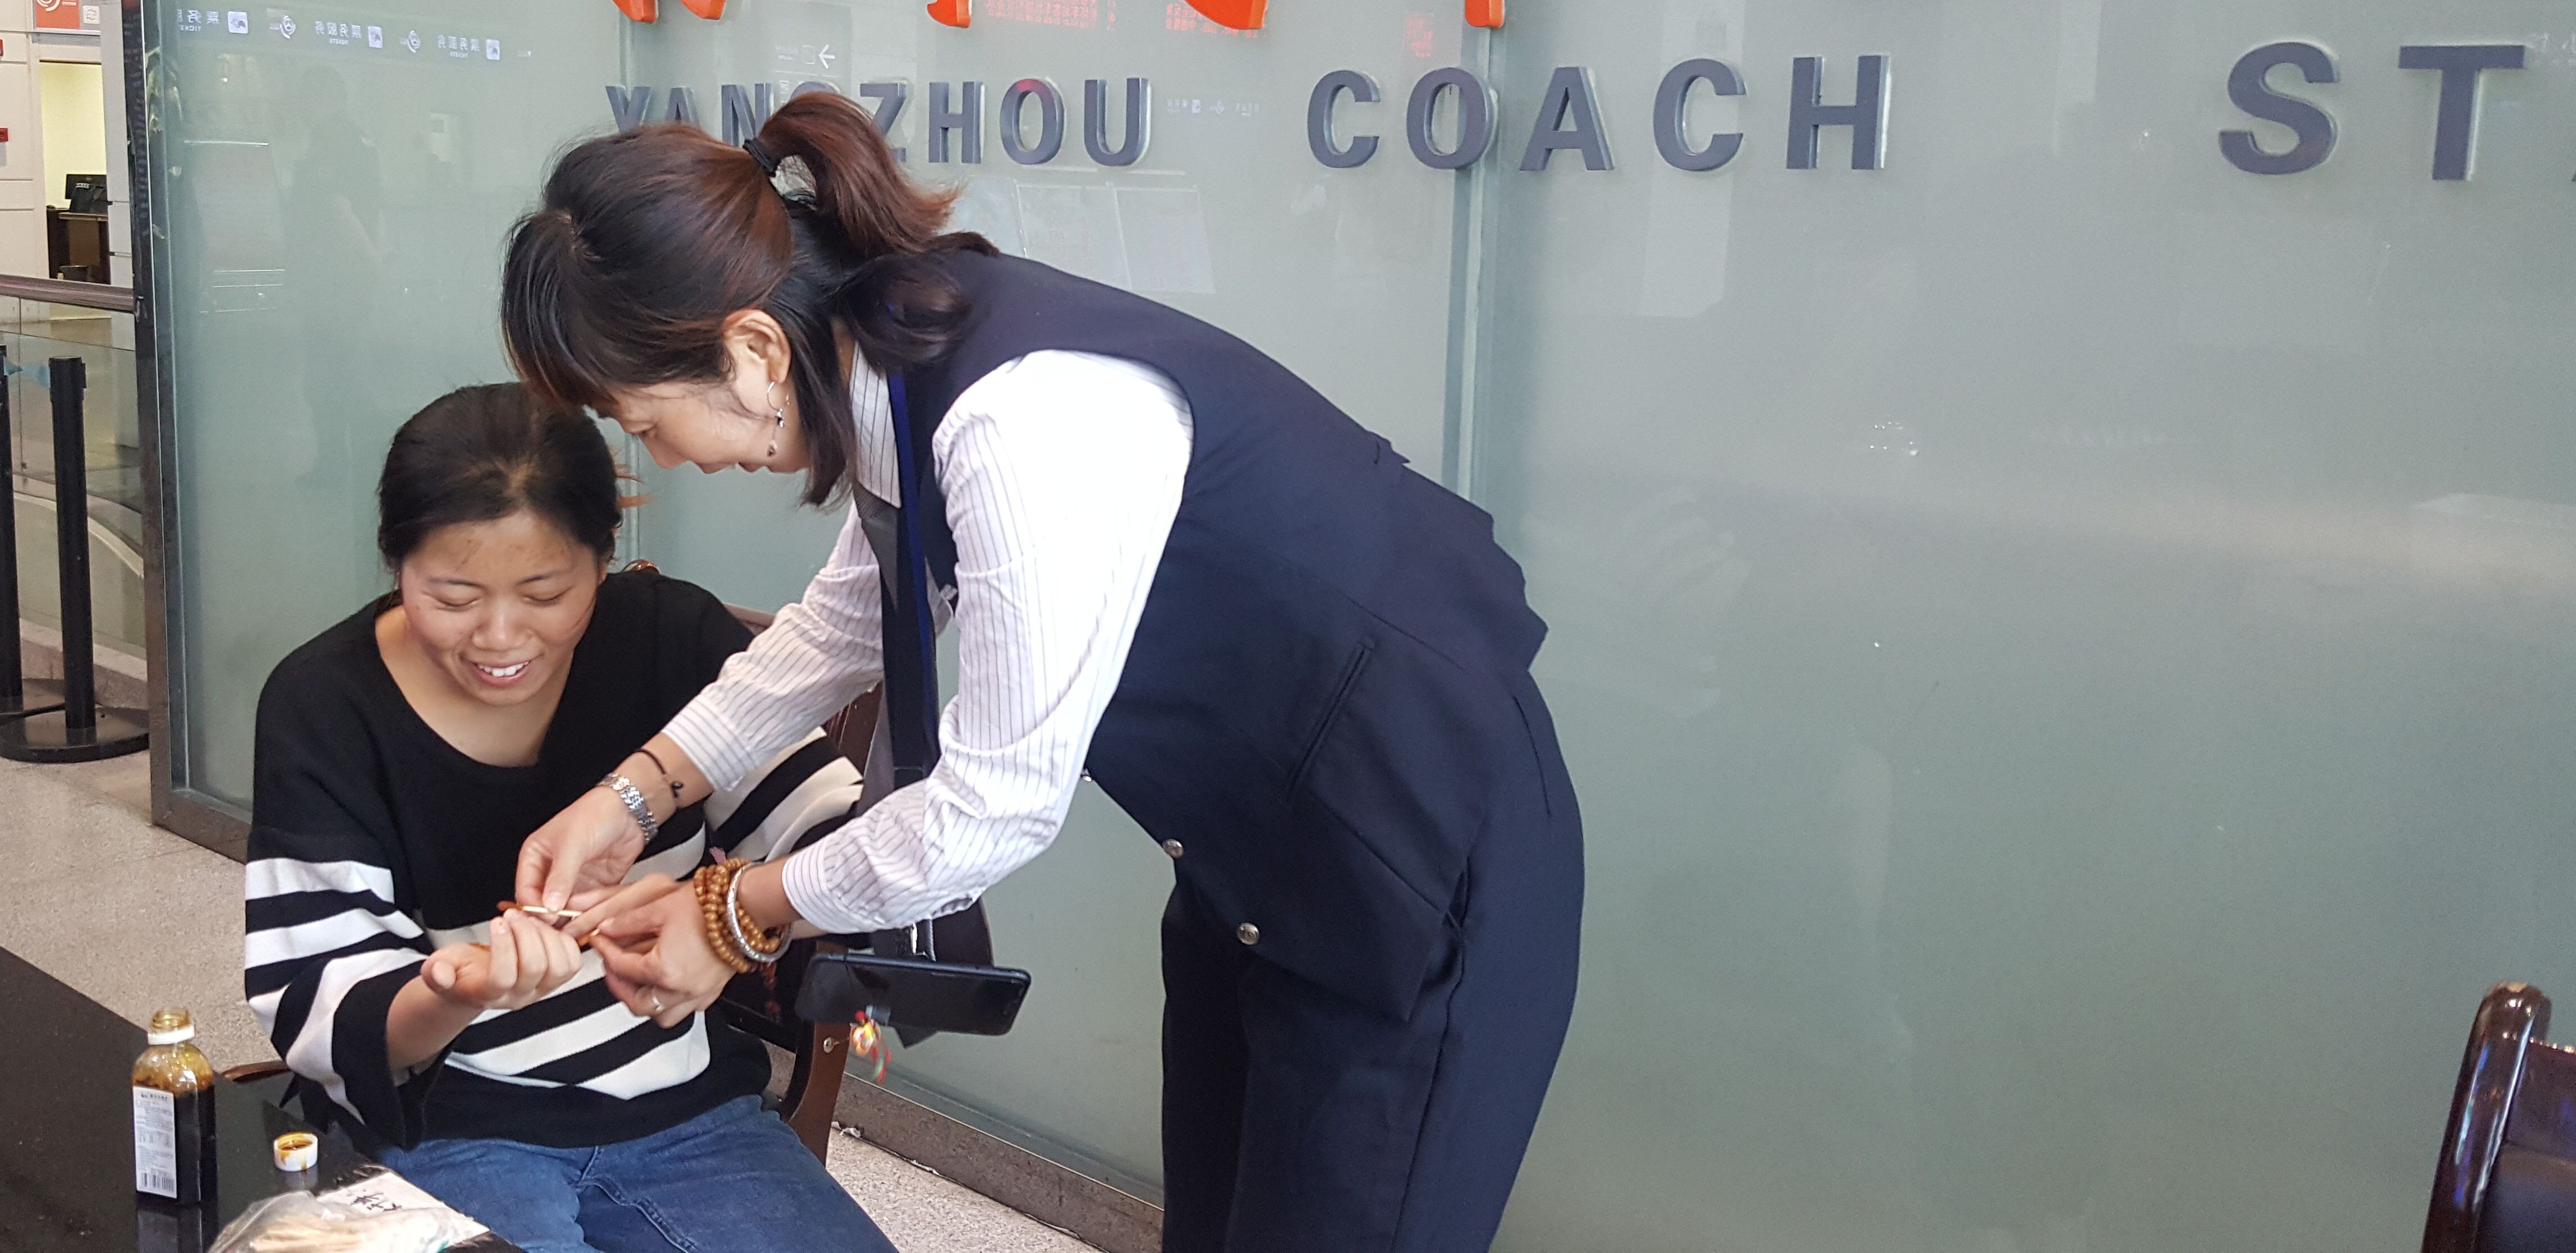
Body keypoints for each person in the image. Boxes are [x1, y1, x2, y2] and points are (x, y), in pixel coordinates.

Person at [498, 93, 1585, 1252]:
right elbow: (843, 625)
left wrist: (733, 915)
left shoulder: (1021, 422)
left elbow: (993, 807)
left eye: (643, 420)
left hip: (1410, 855)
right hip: (1252, 862)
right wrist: (633, 796)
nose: (662, 457)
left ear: (753, 351)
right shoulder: (900, 357)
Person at [242, 383, 893, 1253]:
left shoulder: (669, 643)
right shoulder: (326, 706)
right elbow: (315, 1003)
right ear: (397, 564)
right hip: (446, 1128)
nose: (500, 637)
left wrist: (730, 915)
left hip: (690, 1118)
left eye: (546, 593)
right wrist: (453, 993)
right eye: (453, 596)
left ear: (604, 557)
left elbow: (852, 843)